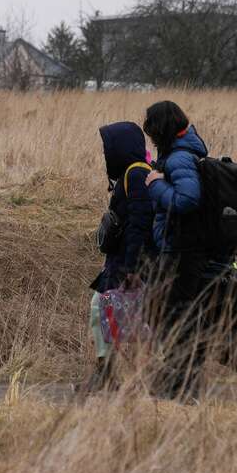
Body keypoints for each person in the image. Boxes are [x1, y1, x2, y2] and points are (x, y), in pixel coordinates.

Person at [141, 99, 236, 400]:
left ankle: (181, 388)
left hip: (184, 253)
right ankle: (176, 385)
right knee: (175, 316)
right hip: (182, 250)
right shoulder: (182, 153)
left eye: (154, 133)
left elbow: (187, 200)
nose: (152, 140)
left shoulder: (180, 158)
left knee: (177, 318)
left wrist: (155, 184)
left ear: (164, 130)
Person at [79, 121, 155, 393]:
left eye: (108, 147)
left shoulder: (135, 174)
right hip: (123, 261)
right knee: (106, 311)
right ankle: (111, 374)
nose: (105, 153)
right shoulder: (132, 172)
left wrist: (132, 267)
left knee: (103, 308)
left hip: (128, 263)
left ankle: (110, 375)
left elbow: (139, 222)